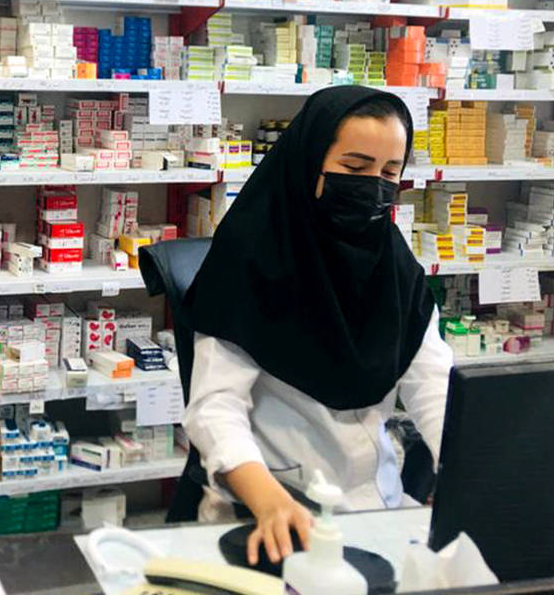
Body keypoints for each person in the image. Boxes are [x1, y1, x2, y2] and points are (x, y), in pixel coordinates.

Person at [182, 85, 451, 566]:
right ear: (310, 161)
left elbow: (434, 385)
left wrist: (467, 467)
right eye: (355, 168)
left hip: (375, 504)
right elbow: (213, 408)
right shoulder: (252, 254)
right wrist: (266, 497)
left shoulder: (391, 261)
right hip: (269, 508)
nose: (373, 186)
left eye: (389, 172)